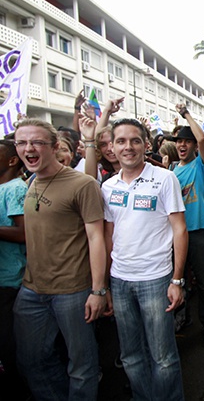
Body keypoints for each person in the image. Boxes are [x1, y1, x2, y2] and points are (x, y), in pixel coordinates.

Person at [12, 118, 107, 400]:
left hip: (73, 292)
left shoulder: (82, 184)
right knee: (30, 361)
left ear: (55, 147)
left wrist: (98, 290)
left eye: (37, 142)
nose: (29, 148)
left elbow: (96, 238)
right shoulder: (30, 181)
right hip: (31, 291)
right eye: (22, 142)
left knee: (82, 366)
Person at [102, 118, 187, 400]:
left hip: (156, 279)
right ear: (112, 147)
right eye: (121, 141)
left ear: (145, 145)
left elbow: (179, 230)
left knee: (162, 356)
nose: (128, 147)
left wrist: (176, 279)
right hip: (120, 281)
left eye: (135, 140)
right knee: (131, 356)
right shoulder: (108, 186)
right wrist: (106, 285)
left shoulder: (165, 178)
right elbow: (108, 235)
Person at [167, 103, 204, 345]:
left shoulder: (201, 166)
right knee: (178, 279)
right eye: (179, 141)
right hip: (176, 235)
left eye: (187, 141)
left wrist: (186, 114)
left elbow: (203, 140)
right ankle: (182, 317)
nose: (182, 145)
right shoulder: (170, 172)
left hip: (198, 232)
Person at [0, 139, 29, 399]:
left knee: (10, 344)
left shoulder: (16, 189)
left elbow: (24, 234)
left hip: (10, 281)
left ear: (11, 160)